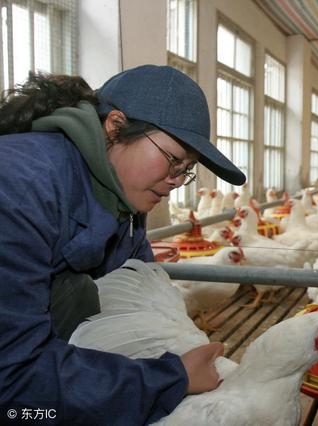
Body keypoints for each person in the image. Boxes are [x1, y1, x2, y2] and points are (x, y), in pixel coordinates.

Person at [0, 65, 246, 424]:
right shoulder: (19, 186)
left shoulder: (121, 203)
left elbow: (138, 304)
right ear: (115, 127)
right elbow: (13, 379)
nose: (176, 181)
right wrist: (172, 378)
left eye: (187, 170)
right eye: (174, 160)